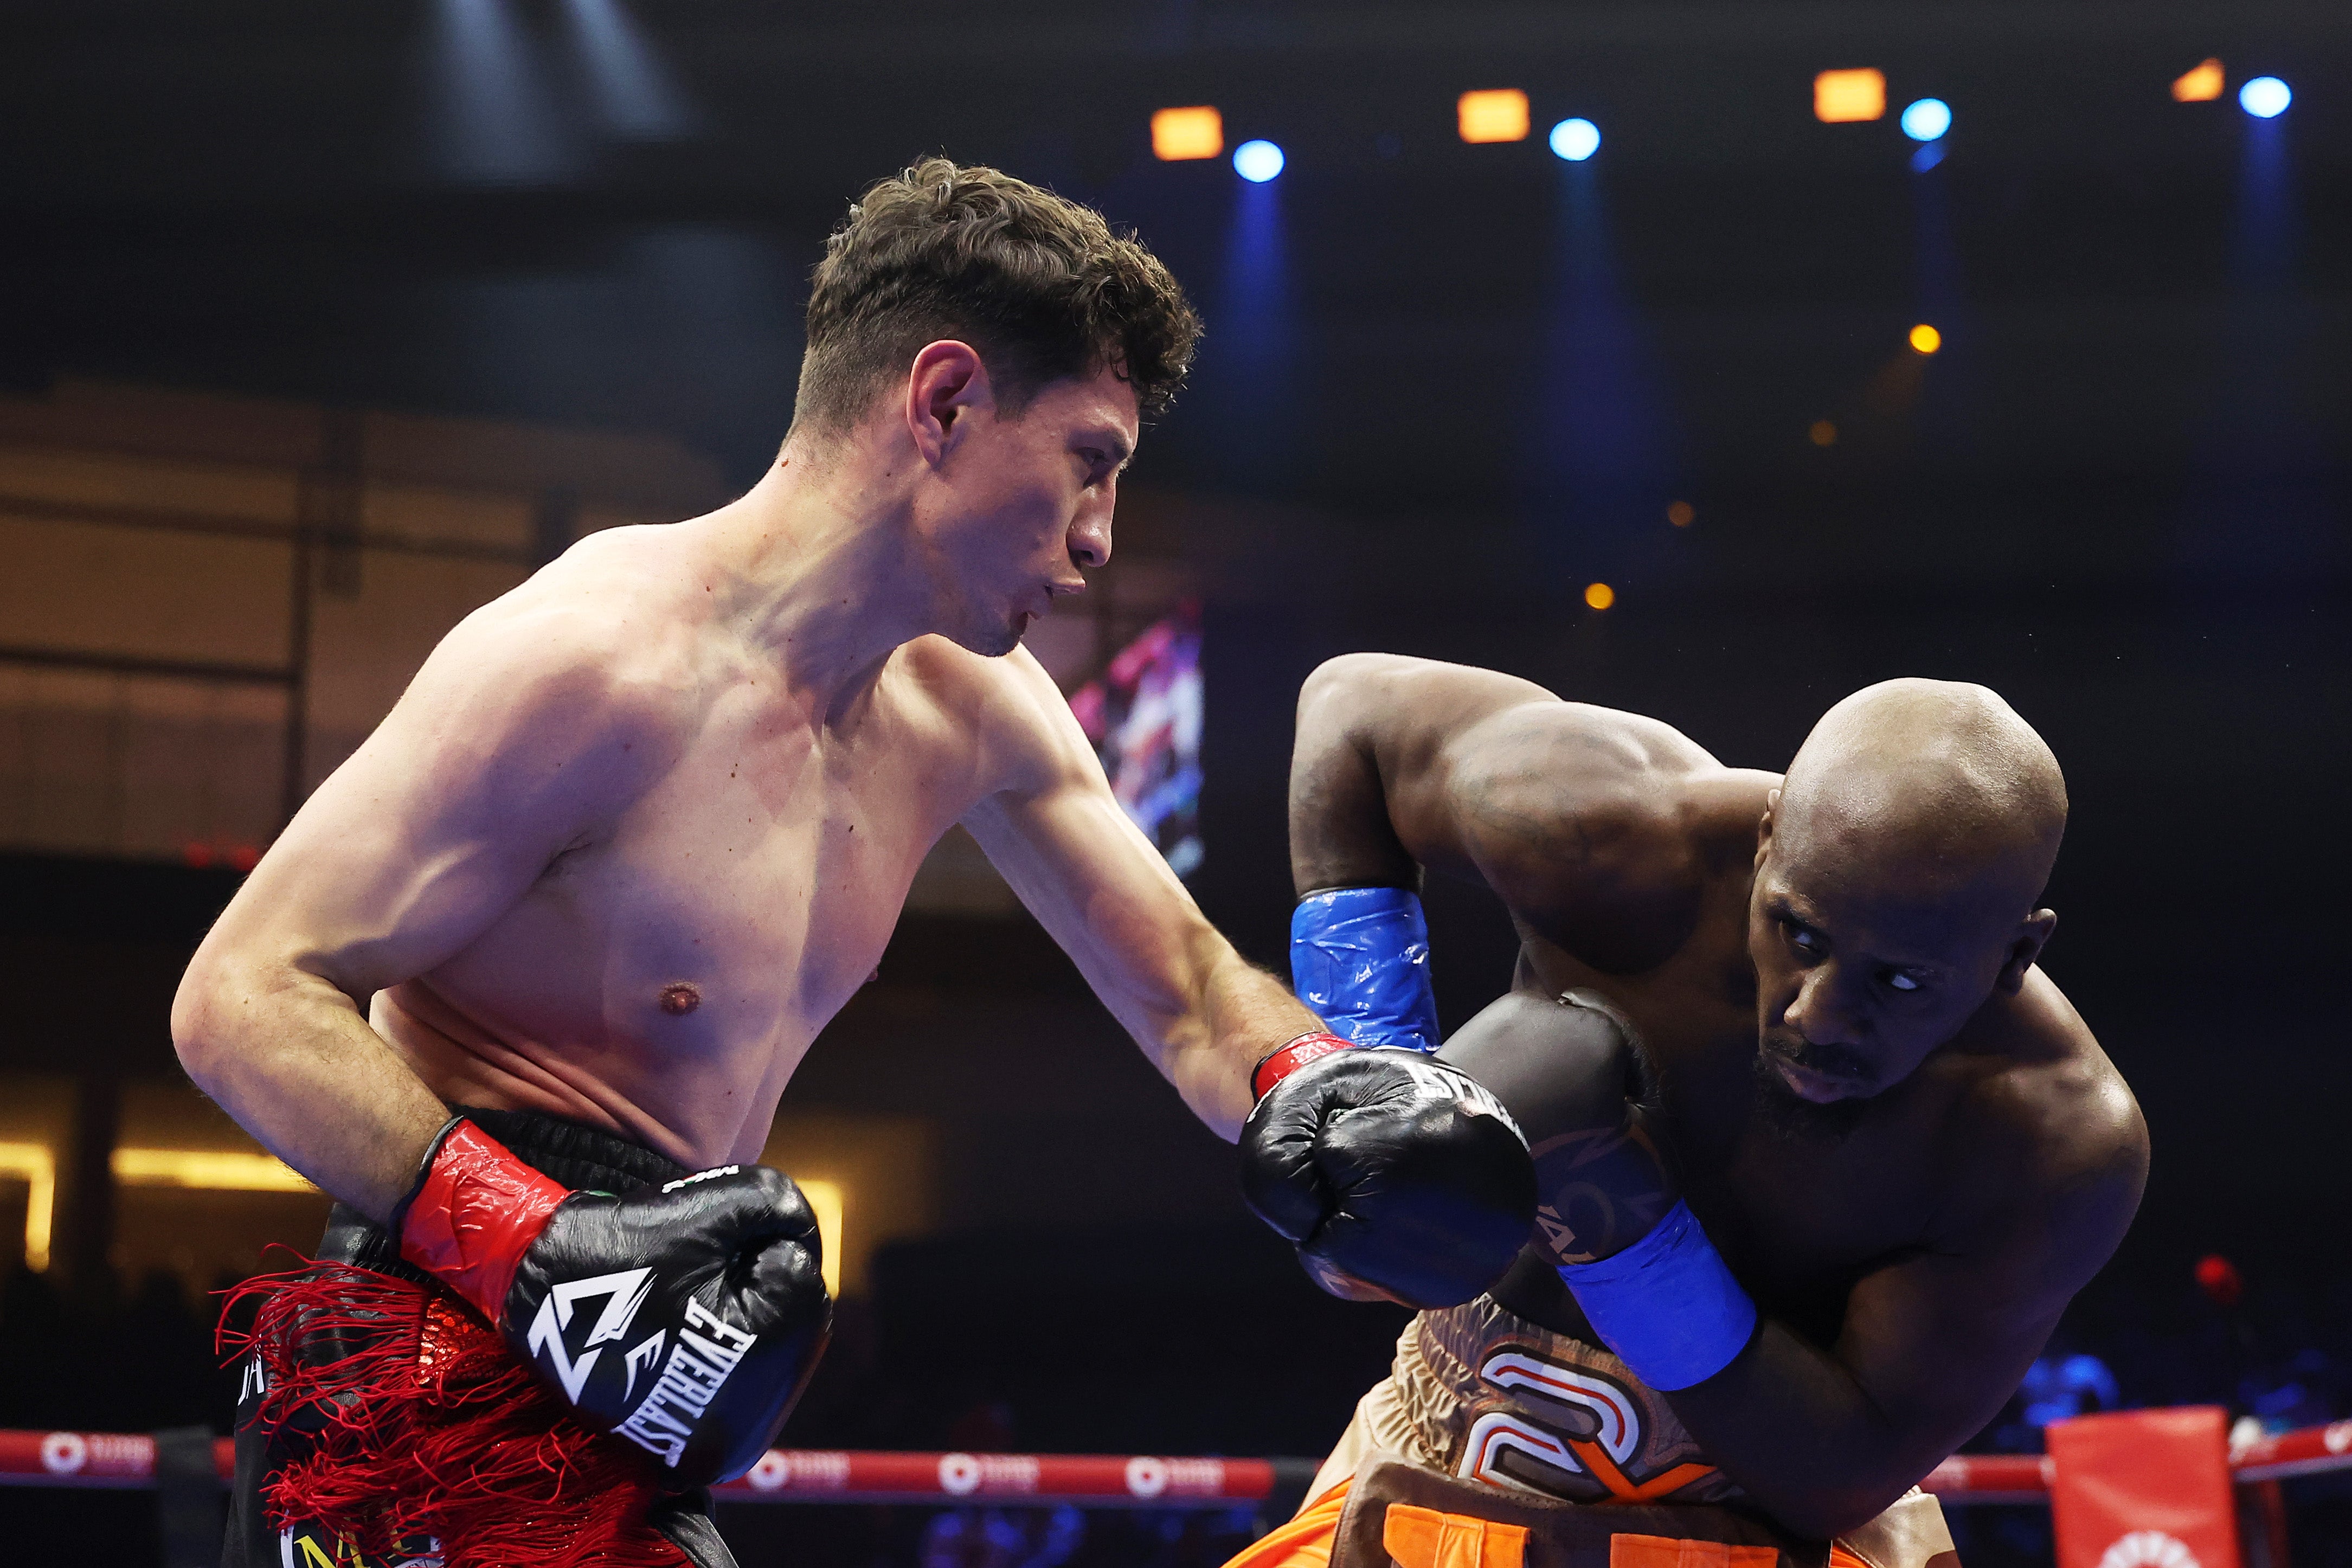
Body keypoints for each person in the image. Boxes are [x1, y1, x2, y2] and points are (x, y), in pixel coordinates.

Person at [173, 158, 1386, 1568]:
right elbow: (240, 995)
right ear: (941, 402)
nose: (1099, 538)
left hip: (649, 1362)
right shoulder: (595, 662)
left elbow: (1183, 986)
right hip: (432, 1355)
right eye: (1088, 464)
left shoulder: (970, 704)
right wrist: (533, 1246)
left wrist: (1321, 1099)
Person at [1231, 657, 2150, 1567]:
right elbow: (1352, 712)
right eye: (1799, 933)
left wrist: (1622, 1232)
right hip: (1436, 1456)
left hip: (1754, 1530)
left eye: (1901, 980)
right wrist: (1374, 1083)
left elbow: (1841, 1475)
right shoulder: (1611, 833)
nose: (1815, 1014)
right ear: (1765, 840)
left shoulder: (2045, 1134)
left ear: (2014, 955)